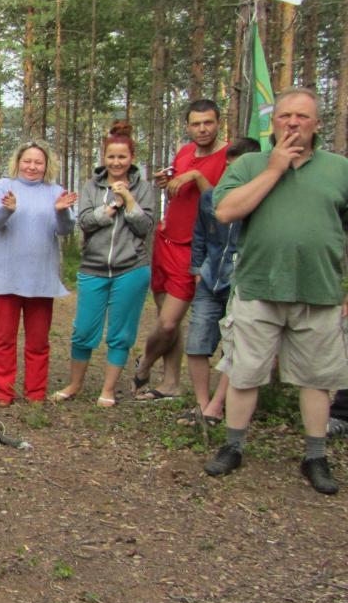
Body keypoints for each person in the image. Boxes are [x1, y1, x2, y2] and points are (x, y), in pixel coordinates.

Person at [203, 88, 348, 495]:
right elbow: (225, 211)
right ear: (274, 122)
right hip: (258, 287)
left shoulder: (339, 169)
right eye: (285, 116)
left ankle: (315, 456)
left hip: (318, 290)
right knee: (245, 373)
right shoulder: (250, 164)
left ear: (317, 124)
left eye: (302, 116)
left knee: (316, 380)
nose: (293, 123)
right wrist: (274, 169)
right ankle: (233, 447)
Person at [132, 100, 229, 401]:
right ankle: (171, 382)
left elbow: (224, 205)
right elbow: (177, 191)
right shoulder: (185, 152)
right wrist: (168, 182)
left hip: (194, 247)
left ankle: (144, 363)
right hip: (166, 239)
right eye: (196, 124)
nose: (202, 129)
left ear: (218, 123)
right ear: (187, 126)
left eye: (208, 122)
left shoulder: (228, 157)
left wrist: (196, 178)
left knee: (169, 322)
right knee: (165, 316)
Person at [51, 122, 153, 407]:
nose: (116, 162)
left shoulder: (144, 188)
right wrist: (110, 208)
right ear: (103, 157)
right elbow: (84, 222)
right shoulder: (91, 187)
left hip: (132, 268)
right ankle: (74, 384)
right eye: (111, 157)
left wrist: (128, 199)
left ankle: (108, 389)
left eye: (122, 157)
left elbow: (144, 227)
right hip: (93, 267)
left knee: (121, 333)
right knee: (83, 330)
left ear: (132, 158)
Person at [0, 140, 77, 406]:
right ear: (18, 162)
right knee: (4, 339)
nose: (32, 167)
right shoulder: (3, 187)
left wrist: (62, 212)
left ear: (47, 165)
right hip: (6, 276)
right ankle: (3, 391)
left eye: (38, 162)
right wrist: (7, 209)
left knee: (38, 341)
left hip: (40, 278)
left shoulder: (55, 191)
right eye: (27, 161)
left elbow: (65, 229)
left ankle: (35, 392)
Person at [177, 138, 259, 427]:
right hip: (210, 279)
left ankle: (218, 405)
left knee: (234, 346)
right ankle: (202, 403)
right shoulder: (210, 198)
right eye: (229, 167)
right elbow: (200, 234)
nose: (233, 174)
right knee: (197, 342)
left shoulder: (262, 201)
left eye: (240, 168)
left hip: (243, 282)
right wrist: (198, 269)